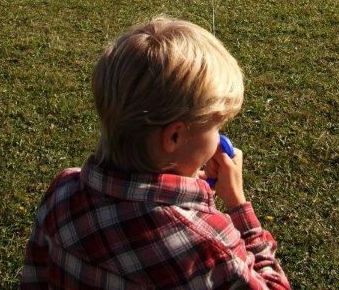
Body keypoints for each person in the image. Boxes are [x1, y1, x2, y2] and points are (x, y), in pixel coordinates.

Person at [21, 17, 291, 290]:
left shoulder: (62, 193)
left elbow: (35, 279)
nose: (219, 136)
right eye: (216, 126)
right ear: (174, 137)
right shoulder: (208, 244)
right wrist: (237, 205)